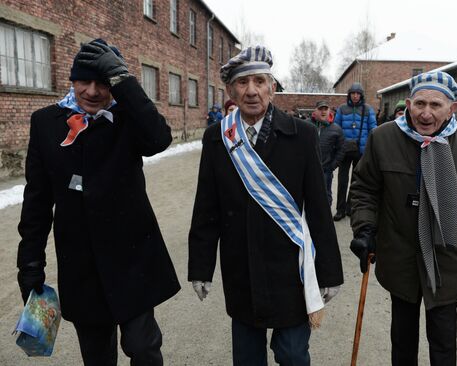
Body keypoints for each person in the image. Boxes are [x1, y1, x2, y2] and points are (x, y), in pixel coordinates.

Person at [16, 38, 180, 366]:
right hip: (81, 263)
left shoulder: (129, 119)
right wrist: (30, 263)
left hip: (133, 256)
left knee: (144, 348)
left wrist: (123, 79)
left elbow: (160, 139)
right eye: (83, 81)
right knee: (97, 356)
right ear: (72, 80)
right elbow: (37, 199)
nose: (92, 91)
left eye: (103, 84)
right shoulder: (46, 123)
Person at [188, 45, 344, 366]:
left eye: (259, 81)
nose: (251, 91)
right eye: (242, 83)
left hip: (290, 266)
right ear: (230, 90)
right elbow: (207, 207)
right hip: (240, 264)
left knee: (292, 355)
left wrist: (329, 270)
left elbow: (317, 204)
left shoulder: (301, 135)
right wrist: (200, 268)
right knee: (247, 358)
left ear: (272, 87)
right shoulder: (218, 138)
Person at [348, 71, 457, 365]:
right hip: (399, 256)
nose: (425, 113)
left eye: (435, 105)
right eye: (419, 104)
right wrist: (365, 228)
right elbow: (364, 188)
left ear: (452, 108)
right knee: (402, 340)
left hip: (447, 259)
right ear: (408, 104)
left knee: (443, 342)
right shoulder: (383, 138)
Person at [333, 82, 377, 221]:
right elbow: (336, 128)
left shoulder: (368, 109)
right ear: (349, 95)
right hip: (344, 150)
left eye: (358, 93)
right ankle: (340, 209)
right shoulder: (341, 108)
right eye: (353, 93)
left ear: (361, 95)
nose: (355, 96)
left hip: (361, 150)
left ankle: (349, 207)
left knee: (355, 181)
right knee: (342, 181)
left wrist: (371, 149)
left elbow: (373, 130)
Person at [308, 100, 345, 207]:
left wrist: (332, 166)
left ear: (329, 111)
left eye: (325, 109)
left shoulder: (336, 129)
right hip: (308, 169)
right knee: (308, 194)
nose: (323, 111)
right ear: (315, 111)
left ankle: (325, 220)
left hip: (326, 170)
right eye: (320, 109)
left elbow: (341, 149)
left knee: (325, 195)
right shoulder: (306, 125)